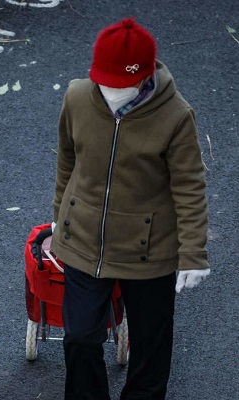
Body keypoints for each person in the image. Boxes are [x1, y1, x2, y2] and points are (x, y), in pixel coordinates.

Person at [51, 18, 210, 399]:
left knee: (151, 348)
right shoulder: (76, 96)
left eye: (119, 84)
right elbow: (66, 159)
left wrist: (193, 254)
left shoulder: (176, 116)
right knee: (80, 338)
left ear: (143, 77)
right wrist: (61, 217)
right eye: (102, 81)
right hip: (84, 240)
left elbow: (189, 187)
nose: (109, 91)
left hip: (150, 250)